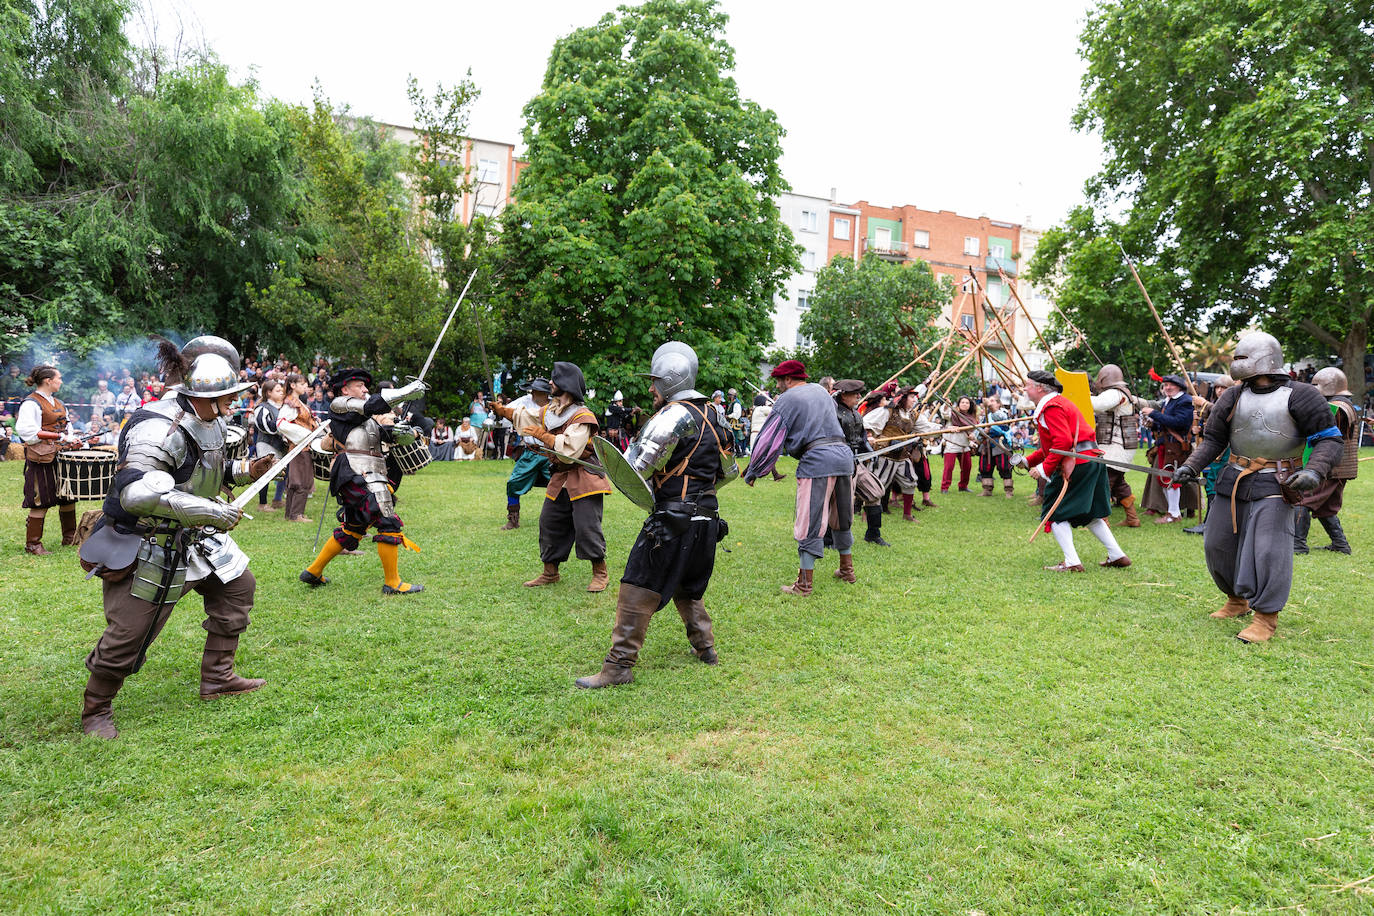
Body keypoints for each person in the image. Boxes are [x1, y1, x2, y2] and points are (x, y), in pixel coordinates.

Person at [76, 339, 271, 739]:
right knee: (128, 634)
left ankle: (217, 678)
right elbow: (140, 494)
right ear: (201, 394)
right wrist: (214, 512)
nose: (231, 403)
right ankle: (96, 709)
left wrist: (248, 469)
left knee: (237, 587)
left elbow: (202, 472)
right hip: (151, 541)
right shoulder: (157, 427)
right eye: (225, 397)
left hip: (194, 536)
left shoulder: (210, 420)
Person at [575, 342, 738, 688]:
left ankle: (619, 666)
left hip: (672, 521)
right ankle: (706, 647)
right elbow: (729, 471)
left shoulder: (673, 416)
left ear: (670, 382)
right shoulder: (717, 415)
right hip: (708, 521)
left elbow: (635, 469)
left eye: (656, 382)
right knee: (686, 586)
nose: (651, 389)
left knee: (637, 585)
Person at [1172, 332, 1340, 642]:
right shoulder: (1233, 396)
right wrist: (1190, 466)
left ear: (1267, 358)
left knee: (1268, 551)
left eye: (1242, 357)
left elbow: (1329, 439)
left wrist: (1315, 471)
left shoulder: (1302, 395)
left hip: (1278, 482)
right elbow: (1214, 440)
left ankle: (1266, 618)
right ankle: (1237, 601)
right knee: (1217, 544)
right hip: (1233, 478)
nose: (1237, 363)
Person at [299, 369, 427, 595]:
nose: (366, 389)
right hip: (356, 471)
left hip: (366, 473)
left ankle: (314, 571)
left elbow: (384, 434)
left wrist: (407, 432)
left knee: (353, 528)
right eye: (360, 386)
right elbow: (373, 406)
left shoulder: (363, 417)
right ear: (345, 389)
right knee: (388, 521)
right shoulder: (341, 404)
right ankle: (393, 582)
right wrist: (406, 392)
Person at [494, 362, 611, 592]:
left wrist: (543, 436)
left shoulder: (583, 416)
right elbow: (528, 416)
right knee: (549, 522)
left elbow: (569, 451)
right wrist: (504, 411)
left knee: (587, 527)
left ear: (565, 384)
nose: (550, 383)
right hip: (560, 478)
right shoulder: (552, 410)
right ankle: (550, 572)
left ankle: (600, 572)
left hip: (584, 476)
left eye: (554, 379)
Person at [744, 359, 856, 595]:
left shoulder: (787, 399)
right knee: (841, 515)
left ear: (787, 379)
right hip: (844, 457)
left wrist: (754, 469)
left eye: (778, 381)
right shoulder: (822, 392)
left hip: (818, 460)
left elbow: (769, 437)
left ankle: (804, 584)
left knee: (809, 519)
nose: (777, 387)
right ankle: (847, 570)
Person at [1014, 370, 1131, 572]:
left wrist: (1043, 469)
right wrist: (1028, 460)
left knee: (1056, 512)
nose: (1025, 388)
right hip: (1090, 460)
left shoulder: (1052, 407)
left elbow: (1063, 442)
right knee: (1092, 513)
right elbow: (1051, 446)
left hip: (1079, 463)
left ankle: (1071, 562)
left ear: (1040, 388)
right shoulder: (1059, 403)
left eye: (1028, 385)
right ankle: (1117, 555)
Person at [1293, 367, 1358, 555]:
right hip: (1339, 468)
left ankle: (1297, 545)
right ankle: (1341, 545)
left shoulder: (1337, 407)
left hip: (1330, 467)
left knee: (1303, 500)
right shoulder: (1347, 404)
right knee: (1326, 507)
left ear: (1328, 386)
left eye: (1316, 385)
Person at [15, 365, 79, 553]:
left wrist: (73, 439)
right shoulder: (31, 403)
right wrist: (59, 437)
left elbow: (68, 429)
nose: (61, 381)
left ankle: (70, 537)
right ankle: (33, 544)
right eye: (58, 378)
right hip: (41, 458)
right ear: (48, 381)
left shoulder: (59, 403)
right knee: (40, 499)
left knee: (68, 497)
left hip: (62, 456)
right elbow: (28, 432)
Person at [863, 385, 935, 520]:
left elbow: (928, 428)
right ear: (903, 398)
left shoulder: (914, 415)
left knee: (910, 481)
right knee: (877, 485)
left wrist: (948, 429)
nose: (915, 400)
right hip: (885, 454)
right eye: (912, 397)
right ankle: (867, 514)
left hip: (902, 455)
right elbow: (867, 422)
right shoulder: (888, 411)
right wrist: (869, 435)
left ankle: (907, 514)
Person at [493, 379, 553, 530]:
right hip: (530, 453)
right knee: (513, 483)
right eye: (532, 390)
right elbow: (506, 414)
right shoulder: (523, 401)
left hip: (551, 454)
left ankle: (564, 518)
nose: (532, 393)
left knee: (561, 486)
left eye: (536, 390)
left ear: (545, 393)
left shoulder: (556, 405)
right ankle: (513, 519)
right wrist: (498, 411)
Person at [835, 379, 888, 548]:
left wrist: (869, 451)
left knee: (875, 492)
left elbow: (861, 437)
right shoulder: (832, 413)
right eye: (855, 394)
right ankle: (829, 539)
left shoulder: (855, 413)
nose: (859, 396)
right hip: (840, 464)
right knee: (842, 502)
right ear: (843, 395)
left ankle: (873, 534)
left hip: (856, 462)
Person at [1090, 364, 1142, 526]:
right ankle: (1132, 518)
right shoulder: (1122, 393)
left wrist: (1078, 395)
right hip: (1119, 446)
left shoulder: (1115, 393)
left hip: (1116, 447)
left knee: (1103, 484)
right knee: (1119, 484)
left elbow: (1097, 405)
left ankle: (1102, 521)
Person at [1139, 375, 1196, 523]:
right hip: (1167, 444)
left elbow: (1179, 423)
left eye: (1171, 385)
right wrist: (1152, 424)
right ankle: (1172, 512)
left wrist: (1154, 413)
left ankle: (1174, 514)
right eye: (1165, 385)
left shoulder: (1185, 401)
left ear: (1180, 387)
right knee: (1165, 478)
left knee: (1173, 479)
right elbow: (1165, 425)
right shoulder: (1168, 401)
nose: (1167, 388)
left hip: (1177, 446)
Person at [277, 373, 318, 522]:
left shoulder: (297, 402)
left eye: (306, 384)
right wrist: (305, 435)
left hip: (301, 446)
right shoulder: (291, 402)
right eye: (302, 384)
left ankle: (291, 514)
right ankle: (296, 515)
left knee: (296, 481)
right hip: (300, 446)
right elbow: (281, 423)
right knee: (301, 481)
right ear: (293, 385)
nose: (305, 387)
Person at [251, 379, 288, 512]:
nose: (281, 392)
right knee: (264, 473)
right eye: (278, 390)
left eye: (281, 390)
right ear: (268, 392)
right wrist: (283, 426)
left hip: (280, 445)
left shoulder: (283, 407)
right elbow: (263, 425)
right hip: (266, 443)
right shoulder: (262, 407)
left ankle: (277, 500)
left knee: (284, 472)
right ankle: (262, 503)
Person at [976, 395, 1016, 498]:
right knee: (985, 468)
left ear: (998, 403)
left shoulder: (1003, 413)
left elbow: (1000, 419)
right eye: (989, 401)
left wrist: (990, 406)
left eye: (993, 401)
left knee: (1005, 467)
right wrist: (982, 432)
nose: (990, 402)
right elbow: (979, 429)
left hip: (1001, 444)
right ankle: (987, 490)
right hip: (987, 444)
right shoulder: (986, 415)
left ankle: (1008, 491)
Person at [940, 396, 977, 493]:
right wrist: (947, 404)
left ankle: (963, 486)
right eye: (963, 402)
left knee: (967, 467)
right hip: (952, 444)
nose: (965, 404)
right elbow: (945, 413)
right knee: (949, 467)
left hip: (965, 445)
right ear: (959, 404)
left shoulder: (972, 417)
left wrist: (972, 436)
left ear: (970, 405)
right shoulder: (952, 413)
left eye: (967, 403)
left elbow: (974, 431)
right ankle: (944, 487)